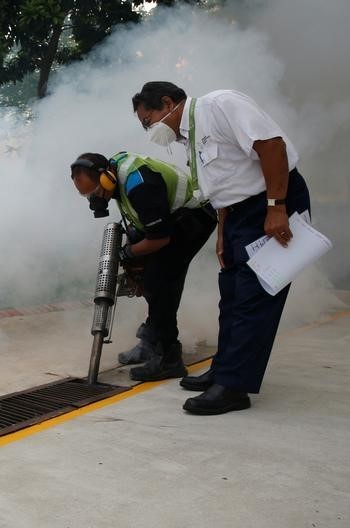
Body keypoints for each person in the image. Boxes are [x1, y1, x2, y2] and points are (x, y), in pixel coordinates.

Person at [132, 81, 311, 415]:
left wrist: (276, 207)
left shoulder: (220, 106)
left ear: (167, 103)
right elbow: (223, 188)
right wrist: (222, 237)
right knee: (230, 293)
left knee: (252, 298)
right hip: (238, 215)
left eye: (148, 120)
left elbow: (272, 147)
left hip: (269, 203)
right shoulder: (190, 137)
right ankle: (224, 369)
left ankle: (234, 386)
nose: (149, 129)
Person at [70, 151, 217, 382]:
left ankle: (169, 358)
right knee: (151, 277)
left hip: (193, 220)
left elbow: (160, 238)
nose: (95, 200)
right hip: (172, 218)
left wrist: (127, 253)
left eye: (96, 192)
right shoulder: (116, 177)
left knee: (159, 281)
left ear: (107, 177)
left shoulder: (139, 184)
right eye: (88, 196)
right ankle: (151, 341)